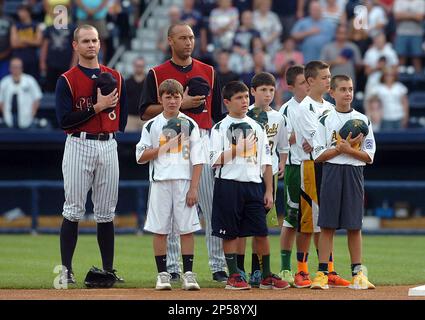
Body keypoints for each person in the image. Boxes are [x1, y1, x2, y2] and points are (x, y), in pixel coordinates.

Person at [138, 22, 228, 283]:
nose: (188, 42)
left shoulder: (209, 71)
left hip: (204, 138)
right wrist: (184, 104)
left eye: (190, 37)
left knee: (212, 207)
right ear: (170, 41)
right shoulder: (157, 73)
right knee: (173, 212)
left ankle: (217, 264)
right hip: (169, 142)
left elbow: (217, 116)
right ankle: (174, 266)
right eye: (182, 38)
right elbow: (144, 111)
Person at [55, 24, 127, 285]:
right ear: (75, 45)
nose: (91, 45)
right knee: (73, 209)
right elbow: (64, 121)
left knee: (106, 212)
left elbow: (120, 119)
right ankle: (66, 270)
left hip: (108, 143)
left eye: (94, 40)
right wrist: (97, 107)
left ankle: (108, 269)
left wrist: (102, 114)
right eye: (85, 41)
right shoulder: (67, 79)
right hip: (78, 143)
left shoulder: (116, 77)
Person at [210, 81, 290, 290]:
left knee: (261, 232)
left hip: (254, 184)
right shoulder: (219, 128)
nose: (245, 101)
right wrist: (239, 148)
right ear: (227, 102)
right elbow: (215, 160)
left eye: (246, 97)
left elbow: (266, 161)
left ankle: (265, 275)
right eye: (239, 98)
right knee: (230, 233)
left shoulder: (257, 127)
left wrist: (269, 190)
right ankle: (234, 274)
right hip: (228, 183)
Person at [135, 79, 204, 291]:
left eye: (176, 96)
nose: (172, 101)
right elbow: (140, 156)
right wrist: (164, 148)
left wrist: (194, 188)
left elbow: (198, 159)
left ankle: (189, 274)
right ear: (160, 98)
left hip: (184, 181)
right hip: (160, 181)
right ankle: (162, 274)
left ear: (182, 97)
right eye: (168, 96)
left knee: (187, 228)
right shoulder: (151, 125)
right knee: (160, 229)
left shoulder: (190, 124)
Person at [311, 74, 376, 290]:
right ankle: (322, 273)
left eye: (350, 89)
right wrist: (339, 150)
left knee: (354, 226)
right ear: (332, 92)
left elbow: (369, 156)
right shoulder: (324, 119)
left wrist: (348, 150)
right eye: (343, 89)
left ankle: (358, 273)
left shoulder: (363, 120)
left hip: (354, 173)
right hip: (331, 171)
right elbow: (318, 155)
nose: (348, 93)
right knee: (327, 225)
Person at [291, 60, 350, 287]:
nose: (328, 81)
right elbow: (316, 140)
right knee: (308, 222)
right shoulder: (304, 107)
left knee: (327, 221)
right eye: (324, 77)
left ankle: (329, 269)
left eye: (329, 76)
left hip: (329, 163)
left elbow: (325, 139)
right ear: (310, 81)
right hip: (310, 166)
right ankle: (301, 271)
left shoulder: (328, 106)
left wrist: (331, 140)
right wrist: (337, 140)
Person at [236, 72, 289, 287]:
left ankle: (257, 270)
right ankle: (238, 270)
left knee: (261, 226)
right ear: (252, 91)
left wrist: (282, 162)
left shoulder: (278, 117)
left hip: (269, 173)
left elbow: (283, 145)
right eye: (263, 90)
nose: (268, 94)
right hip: (246, 172)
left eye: (271, 90)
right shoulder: (244, 114)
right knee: (241, 226)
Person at [278, 64, 314, 287]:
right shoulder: (286, 110)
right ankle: (284, 268)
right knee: (292, 220)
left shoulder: (319, 106)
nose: (307, 87)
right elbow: (284, 139)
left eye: (308, 82)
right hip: (294, 166)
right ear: (290, 86)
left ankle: (308, 269)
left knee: (312, 222)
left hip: (315, 166)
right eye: (302, 83)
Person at [0, 57, 42, 129]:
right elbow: (1, 101)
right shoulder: (4, 82)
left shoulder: (30, 80)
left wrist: (32, 114)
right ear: (10, 68)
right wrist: (4, 114)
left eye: (18, 67)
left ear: (22, 68)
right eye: (14, 67)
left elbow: (37, 99)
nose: (16, 69)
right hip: (9, 118)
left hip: (27, 118)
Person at [125, 57, 146, 132]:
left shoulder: (149, 82)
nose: (139, 68)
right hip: (131, 117)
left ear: (144, 67)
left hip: (145, 117)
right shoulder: (127, 82)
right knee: (127, 140)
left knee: (148, 141)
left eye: (141, 66)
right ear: (134, 66)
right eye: (137, 66)